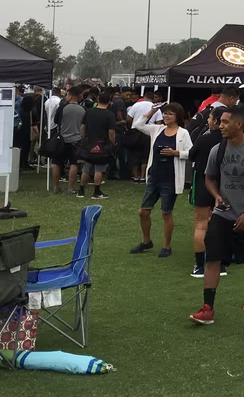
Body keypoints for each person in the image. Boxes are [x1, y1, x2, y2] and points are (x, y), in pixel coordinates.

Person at [189, 107, 244, 325]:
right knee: (213, 257)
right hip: (223, 214)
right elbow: (209, 178)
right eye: (219, 122)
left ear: (239, 124)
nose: (220, 126)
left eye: (225, 122)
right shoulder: (218, 149)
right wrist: (216, 196)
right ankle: (208, 308)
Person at [130, 102, 193, 258]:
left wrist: (176, 153)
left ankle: (166, 246)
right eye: (165, 113)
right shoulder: (157, 129)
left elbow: (191, 152)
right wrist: (152, 111)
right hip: (154, 177)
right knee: (143, 211)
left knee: (166, 213)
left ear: (178, 116)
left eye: (170, 113)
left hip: (170, 178)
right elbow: (137, 125)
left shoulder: (183, 133)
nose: (166, 116)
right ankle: (146, 241)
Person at [188, 106, 225, 278]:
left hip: (203, 182)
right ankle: (221, 264)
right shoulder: (231, 141)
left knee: (201, 224)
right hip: (224, 185)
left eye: (210, 118)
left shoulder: (204, 138)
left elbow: (191, 155)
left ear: (216, 121)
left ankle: (199, 266)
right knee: (221, 224)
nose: (208, 120)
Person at [77, 91, 117, 199]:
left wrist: (84, 137)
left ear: (98, 99)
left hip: (89, 142)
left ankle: (81, 190)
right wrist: (113, 143)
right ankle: (97, 191)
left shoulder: (89, 111)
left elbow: (82, 127)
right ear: (109, 102)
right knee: (99, 169)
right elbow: (111, 132)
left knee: (86, 167)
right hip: (102, 144)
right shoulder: (109, 114)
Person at [52, 86, 86, 195]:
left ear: (70, 95)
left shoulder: (62, 107)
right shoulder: (83, 109)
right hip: (76, 139)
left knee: (57, 163)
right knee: (74, 163)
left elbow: (56, 121)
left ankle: (56, 186)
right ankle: (70, 188)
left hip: (61, 139)